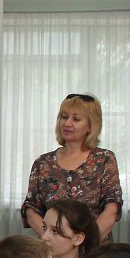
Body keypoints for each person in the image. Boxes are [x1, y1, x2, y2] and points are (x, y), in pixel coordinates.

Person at [22, 93, 122, 241]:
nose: (67, 123)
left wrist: (85, 243)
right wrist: (52, 239)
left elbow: (112, 208)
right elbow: (31, 209)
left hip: (94, 247)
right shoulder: (43, 162)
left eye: (76, 119)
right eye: (64, 117)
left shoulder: (104, 159)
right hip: (52, 248)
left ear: (90, 126)